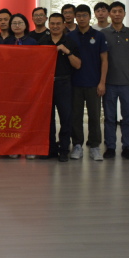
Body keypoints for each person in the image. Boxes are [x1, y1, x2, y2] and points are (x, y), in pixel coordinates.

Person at [101, 1, 129, 160]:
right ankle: (110, 147)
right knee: (109, 118)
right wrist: (102, 81)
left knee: (128, 117)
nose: (117, 14)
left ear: (125, 14)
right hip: (109, 83)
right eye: (114, 11)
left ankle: (127, 147)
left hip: (128, 83)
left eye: (120, 11)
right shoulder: (103, 33)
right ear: (109, 14)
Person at [67, 4, 107, 161]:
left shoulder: (99, 36)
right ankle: (77, 145)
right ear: (75, 17)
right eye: (79, 15)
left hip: (93, 83)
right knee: (76, 117)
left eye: (84, 15)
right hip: (75, 83)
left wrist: (102, 82)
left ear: (90, 17)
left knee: (95, 117)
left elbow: (105, 60)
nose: (82, 18)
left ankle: (95, 146)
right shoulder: (70, 36)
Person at [39, 13, 81, 162]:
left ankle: (64, 149)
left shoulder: (70, 42)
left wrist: (66, 51)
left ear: (64, 25)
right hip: (46, 84)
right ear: (48, 24)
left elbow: (78, 65)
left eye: (58, 23)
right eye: (52, 23)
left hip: (64, 84)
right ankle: (50, 149)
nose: (55, 26)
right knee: (47, 118)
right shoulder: (42, 42)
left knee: (66, 118)